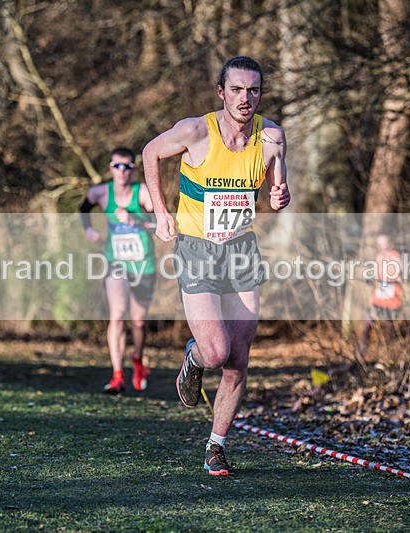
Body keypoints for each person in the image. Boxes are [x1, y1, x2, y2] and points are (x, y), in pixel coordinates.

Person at [142, 56, 290, 476]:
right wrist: (160, 210)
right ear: (221, 92)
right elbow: (150, 153)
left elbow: (279, 189)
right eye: (238, 89)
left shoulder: (273, 137)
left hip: (241, 250)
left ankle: (216, 445)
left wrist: (280, 198)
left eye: (254, 90)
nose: (246, 98)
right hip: (198, 249)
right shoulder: (195, 131)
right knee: (216, 350)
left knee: (238, 358)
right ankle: (194, 357)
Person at [79, 147, 156, 394]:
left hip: (143, 263)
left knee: (139, 322)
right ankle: (117, 374)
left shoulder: (142, 193)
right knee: (118, 314)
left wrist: (136, 221)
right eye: (117, 166)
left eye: (127, 166)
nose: (122, 171)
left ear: (133, 169)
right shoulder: (101, 193)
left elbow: (160, 224)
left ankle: (138, 360)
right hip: (116, 262)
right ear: (110, 168)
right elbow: (83, 209)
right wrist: (88, 230)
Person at [356, 234, 403, 359]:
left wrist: (383, 277)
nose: (382, 247)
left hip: (391, 300)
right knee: (367, 325)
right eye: (379, 245)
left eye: (384, 244)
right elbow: (377, 274)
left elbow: (395, 274)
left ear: (390, 244)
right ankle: (358, 356)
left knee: (389, 329)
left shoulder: (396, 257)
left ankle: (388, 358)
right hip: (377, 300)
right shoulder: (379, 257)